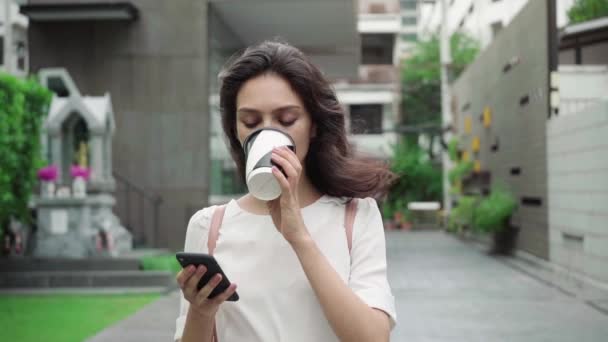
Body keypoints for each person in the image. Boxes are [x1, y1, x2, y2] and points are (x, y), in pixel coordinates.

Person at [174, 40, 397, 342]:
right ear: (235, 131)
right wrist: (200, 312)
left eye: (286, 119)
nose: (267, 132)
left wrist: (299, 238)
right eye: (250, 121)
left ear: (314, 125)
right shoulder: (210, 226)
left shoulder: (355, 215)